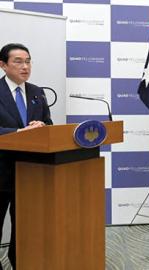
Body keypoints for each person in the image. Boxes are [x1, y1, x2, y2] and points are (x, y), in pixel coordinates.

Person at [0, 43, 52, 270]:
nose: (25, 67)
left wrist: (42, 125)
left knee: (24, 227)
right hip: (1, 172)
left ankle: (19, 263)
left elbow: (49, 125)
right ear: (3, 65)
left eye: (28, 61)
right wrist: (19, 133)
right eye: (18, 61)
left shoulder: (37, 92)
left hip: (30, 173)